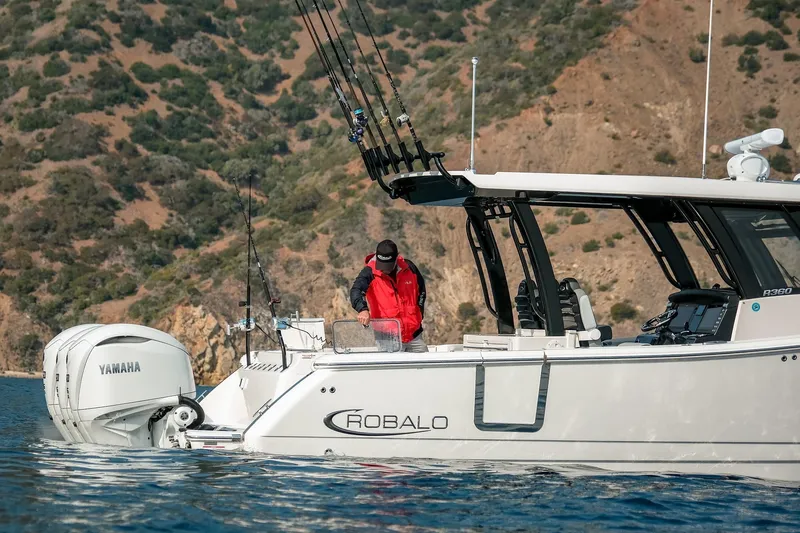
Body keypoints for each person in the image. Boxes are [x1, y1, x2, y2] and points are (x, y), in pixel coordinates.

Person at [350, 239, 428, 352]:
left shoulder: (409, 268)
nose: (383, 269)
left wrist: (419, 313)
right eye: (381, 265)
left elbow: (421, 291)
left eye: (387, 265)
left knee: (426, 367)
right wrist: (362, 309)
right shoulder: (369, 272)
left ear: (396, 258)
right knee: (393, 369)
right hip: (387, 337)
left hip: (414, 335)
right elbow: (355, 290)